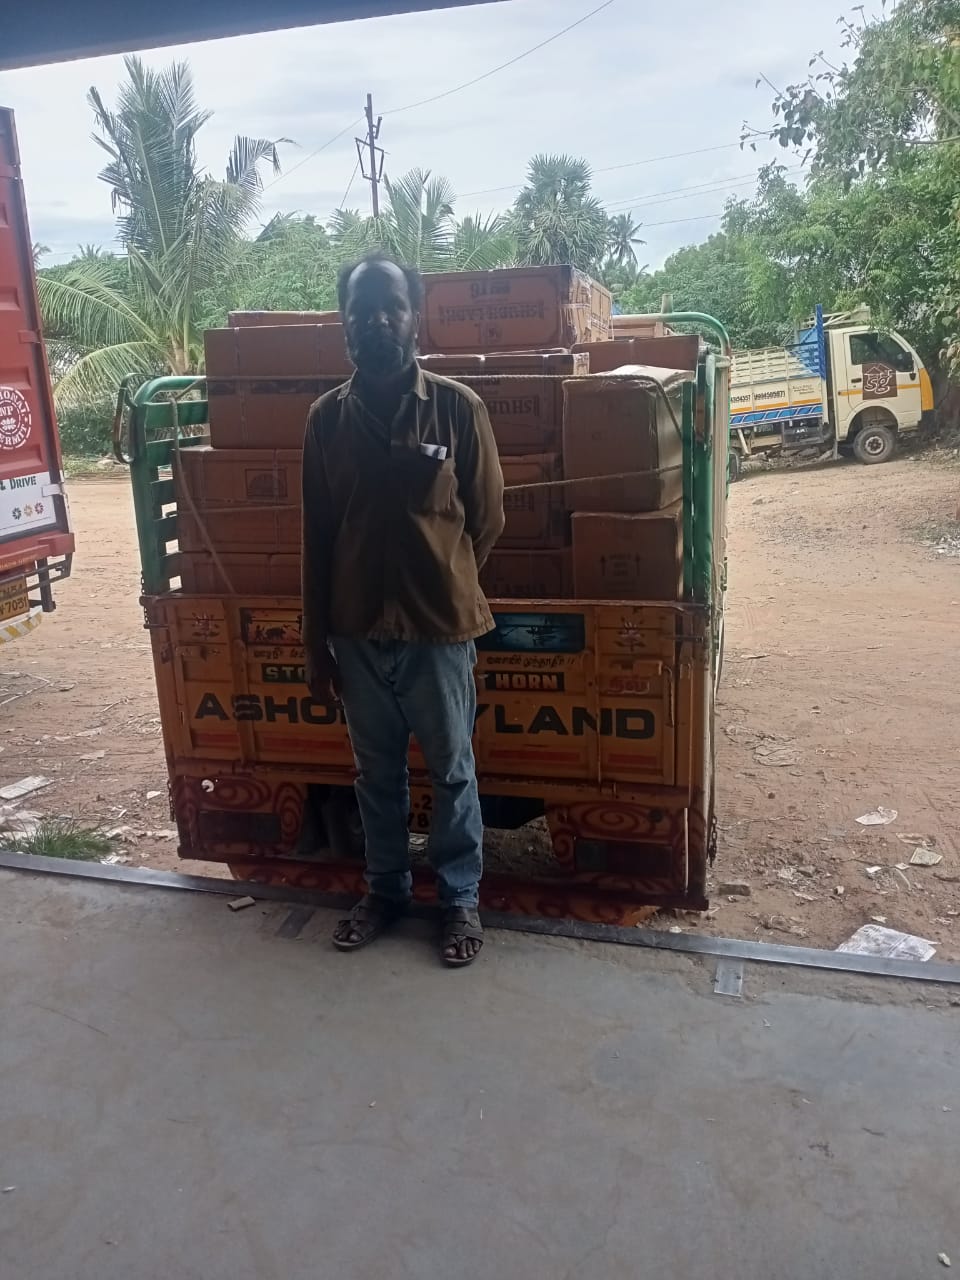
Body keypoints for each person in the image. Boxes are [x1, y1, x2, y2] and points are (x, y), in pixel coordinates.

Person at [301, 253, 505, 966]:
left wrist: (442, 576)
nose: (376, 320)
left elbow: (487, 518)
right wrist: (314, 645)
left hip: (437, 633)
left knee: (452, 773)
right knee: (375, 776)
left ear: (415, 316)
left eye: (391, 306)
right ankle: (385, 892)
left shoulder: (458, 408)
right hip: (356, 634)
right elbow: (317, 538)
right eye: (361, 310)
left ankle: (459, 901)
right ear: (344, 325)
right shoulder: (325, 421)